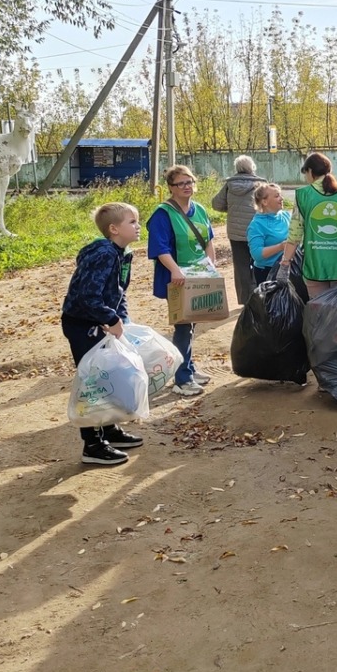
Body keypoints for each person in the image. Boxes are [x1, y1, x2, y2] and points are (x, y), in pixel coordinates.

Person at [60, 202, 145, 465]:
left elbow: (118, 292)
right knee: (94, 382)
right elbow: (88, 296)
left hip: (102, 324)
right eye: (132, 222)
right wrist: (109, 318)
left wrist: (122, 319)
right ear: (114, 229)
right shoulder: (104, 255)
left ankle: (109, 428)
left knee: (111, 375)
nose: (138, 226)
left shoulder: (123, 254)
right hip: (83, 324)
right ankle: (93, 444)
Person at [147, 165, 216, 396]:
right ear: (171, 187)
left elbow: (208, 240)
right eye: (181, 183)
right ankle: (182, 379)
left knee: (192, 323)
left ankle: (188, 368)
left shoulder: (200, 210)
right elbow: (160, 248)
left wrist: (211, 267)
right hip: (176, 278)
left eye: (190, 182)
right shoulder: (163, 213)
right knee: (183, 326)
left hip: (199, 275)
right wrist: (176, 270)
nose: (187, 187)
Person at [280, 152, 337, 298]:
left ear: (310, 171)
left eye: (305, 173)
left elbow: (295, 233)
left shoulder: (303, 195)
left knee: (318, 313)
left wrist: (285, 263)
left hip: (315, 266)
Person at [211, 155, 265, 305]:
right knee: (259, 262)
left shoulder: (229, 185)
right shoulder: (259, 184)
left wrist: (230, 208)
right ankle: (259, 297)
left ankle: (244, 299)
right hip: (257, 231)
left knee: (241, 265)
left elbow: (216, 204)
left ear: (237, 168)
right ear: (252, 167)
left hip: (235, 233)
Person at [247, 182, 291, 288]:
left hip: (289, 269)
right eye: (276, 196)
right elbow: (256, 254)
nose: (281, 198)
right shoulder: (256, 225)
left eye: (280, 195)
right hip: (267, 273)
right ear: (264, 202)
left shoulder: (286, 215)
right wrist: (281, 247)